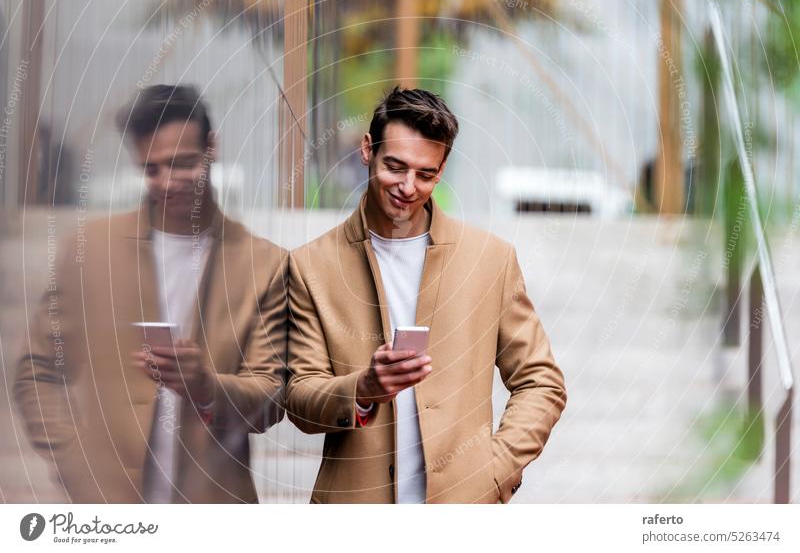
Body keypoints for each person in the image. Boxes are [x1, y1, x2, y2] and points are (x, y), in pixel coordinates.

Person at [286, 87, 567, 503]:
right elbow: (299, 397)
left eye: (426, 174)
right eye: (394, 167)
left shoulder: (490, 259)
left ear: (443, 167)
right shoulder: (309, 266)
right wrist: (363, 389)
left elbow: (541, 381)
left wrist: (495, 469)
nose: (407, 186)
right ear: (367, 150)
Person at [14, 85, 287, 503]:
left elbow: (272, 399)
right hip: (106, 508)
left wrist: (205, 385)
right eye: (151, 169)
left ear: (212, 149)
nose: (166, 182)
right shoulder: (91, 250)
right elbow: (36, 370)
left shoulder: (265, 264)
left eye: (182, 164)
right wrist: (71, 457)